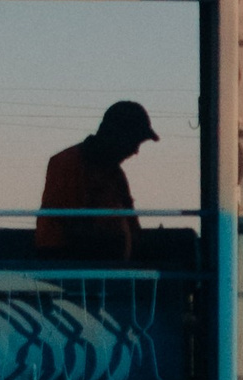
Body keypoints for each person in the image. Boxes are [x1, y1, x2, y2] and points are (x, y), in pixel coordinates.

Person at [36, 99, 158, 261]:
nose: (135, 151)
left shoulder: (115, 174)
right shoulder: (67, 164)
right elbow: (72, 229)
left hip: (110, 269)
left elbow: (132, 225)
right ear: (117, 136)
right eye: (134, 142)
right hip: (70, 268)